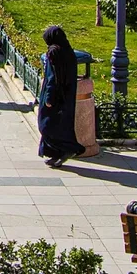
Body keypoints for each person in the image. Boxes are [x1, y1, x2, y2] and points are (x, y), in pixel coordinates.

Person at [36, 25, 86, 168]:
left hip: (55, 96)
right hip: (66, 96)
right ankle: (55, 154)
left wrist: (49, 98)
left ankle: (68, 149)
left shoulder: (54, 53)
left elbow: (53, 77)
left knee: (46, 125)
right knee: (61, 125)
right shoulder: (67, 51)